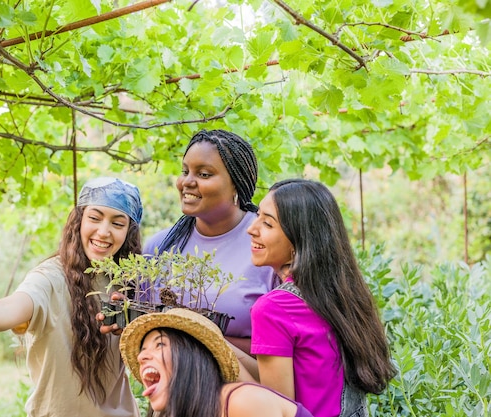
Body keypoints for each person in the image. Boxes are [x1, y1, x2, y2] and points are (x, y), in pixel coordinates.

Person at [0, 177, 144, 417]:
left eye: (118, 223)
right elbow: (9, 310)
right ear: (79, 221)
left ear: (129, 232)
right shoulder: (50, 277)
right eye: (95, 218)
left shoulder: (131, 284)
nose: (104, 231)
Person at [247, 179, 397, 417]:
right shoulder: (343, 295)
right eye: (257, 216)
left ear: (299, 238)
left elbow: (280, 410)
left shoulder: (274, 308)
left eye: (267, 223)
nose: (251, 229)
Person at [140, 129, 278, 356]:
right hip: (175, 388)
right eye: (185, 171)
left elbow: (287, 346)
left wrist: (201, 338)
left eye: (204, 174)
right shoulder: (160, 247)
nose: (187, 182)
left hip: (246, 388)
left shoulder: (267, 243)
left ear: (236, 184)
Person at [119, 307, 315, 417]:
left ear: (192, 356)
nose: (141, 357)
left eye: (159, 344)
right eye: (142, 351)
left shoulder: (241, 402)